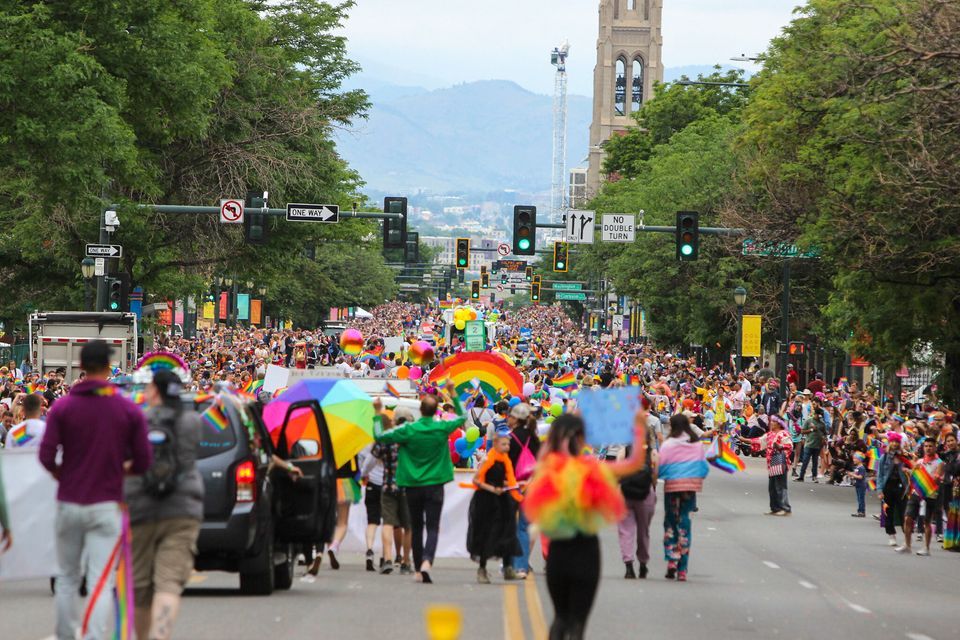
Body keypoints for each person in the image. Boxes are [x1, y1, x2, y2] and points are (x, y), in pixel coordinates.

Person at [39, 340, 152, 640]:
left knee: (66, 578)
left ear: (80, 366)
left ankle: (65, 635)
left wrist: (64, 475)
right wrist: (120, 470)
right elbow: (143, 460)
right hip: (107, 502)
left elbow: (46, 456)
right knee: (101, 580)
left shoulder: (62, 407)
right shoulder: (127, 409)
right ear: (108, 366)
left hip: (69, 501)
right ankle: (93, 637)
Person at [523, 410, 648, 640]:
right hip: (586, 553)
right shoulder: (593, 468)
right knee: (578, 622)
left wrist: (567, 421)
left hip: (558, 554)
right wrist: (639, 427)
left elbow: (546, 452)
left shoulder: (548, 468)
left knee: (560, 618)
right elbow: (634, 463)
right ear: (582, 438)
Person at [125, 369, 204, 640]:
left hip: (140, 508)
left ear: (155, 391)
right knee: (168, 582)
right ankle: (161, 635)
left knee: (141, 585)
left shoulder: (137, 420)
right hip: (182, 508)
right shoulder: (193, 421)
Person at [374, 381, 465, 584]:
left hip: (412, 485)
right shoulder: (442, 427)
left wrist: (378, 414)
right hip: (435, 484)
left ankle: (417, 569)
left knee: (415, 527)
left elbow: (380, 436)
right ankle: (426, 562)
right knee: (432, 527)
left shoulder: (409, 430)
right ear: (435, 412)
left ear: (421, 410)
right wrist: (452, 391)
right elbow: (463, 417)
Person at [658, 413, 710, 581]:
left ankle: (672, 559)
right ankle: (682, 569)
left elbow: (660, 466)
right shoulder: (696, 444)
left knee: (670, 523)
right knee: (685, 525)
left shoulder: (668, 444)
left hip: (672, 487)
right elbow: (703, 467)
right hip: (690, 489)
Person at [467, 433, 521, 584]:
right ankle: (482, 569)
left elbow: (505, 479)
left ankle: (508, 567)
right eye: (504, 444)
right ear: (496, 444)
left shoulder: (505, 460)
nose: (507, 447)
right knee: (487, 533)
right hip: (487, 500)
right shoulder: (487, 459)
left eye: (508, 444)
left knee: (507, 531)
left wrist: (512, 485)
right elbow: (476, 480)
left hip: (502, 499)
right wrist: (492, 489)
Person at [617, 420, 658, 579]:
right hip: (645, 493)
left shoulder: (624, 450)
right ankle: (643, 563)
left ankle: (628, 565)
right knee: (644, 531)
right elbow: (655, 476)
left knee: (625, 530)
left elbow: (619, 472)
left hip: (626, 493)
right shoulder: (652, 453)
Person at [507, 403, 540, 579]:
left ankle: (510, 564)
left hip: (513, 485)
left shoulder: (511, 439)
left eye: (511, 416)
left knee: (510, 525)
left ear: (516, 419)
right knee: (524, 528)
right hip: (530, 485)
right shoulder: (534, 439)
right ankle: (522, 566)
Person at [901, 438, 944, 556]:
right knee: (907, 518)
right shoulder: (920, 462)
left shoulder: (939, 463)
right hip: (916, 494)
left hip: (930, 496)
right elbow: (915, 475)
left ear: (935, 447)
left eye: (930, 446)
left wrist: (932, 477)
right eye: (926, 446)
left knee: (927, 522)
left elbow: (936, 478)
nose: (928, 448)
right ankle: (907, 545)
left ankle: (926, 547)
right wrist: (909, 471)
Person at [876, 432, 910, 549]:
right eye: (893, 442)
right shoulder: (884, 457)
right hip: (888, 486)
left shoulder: (903, 457)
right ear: (890, 443)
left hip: (901, 487)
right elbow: (880, 474)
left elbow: (912, 470)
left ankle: (906, 537)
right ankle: (891, 535)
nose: (895, 444)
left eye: (897, 442)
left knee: (903, 512)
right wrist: (879, 490)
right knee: (888, 512)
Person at [796, 404, 827, 483]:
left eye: (820, 416)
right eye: (818, 415)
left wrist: (824, 439)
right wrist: (811, 430)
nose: (819, 417)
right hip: (809, 444)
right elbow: (802, 431)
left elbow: (824, 433)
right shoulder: (808, 421)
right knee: (805, 461)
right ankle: (801, 476)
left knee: (815, 462)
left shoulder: (822, 424)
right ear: (815, 414)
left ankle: (814, 476)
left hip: (817, 445)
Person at [846, 452, 868, 517]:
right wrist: (851, 476)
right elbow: (856, 476)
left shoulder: (861, 468)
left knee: (861, 499)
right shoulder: (857, 467)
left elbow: (860, 477)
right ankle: (859, 511)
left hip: (861, 485)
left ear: (860, 459)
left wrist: (853, 475)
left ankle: (862, 511)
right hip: (857, 485)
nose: (854, 460)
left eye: (855, 458)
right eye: (853, 458)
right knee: (859, 498)